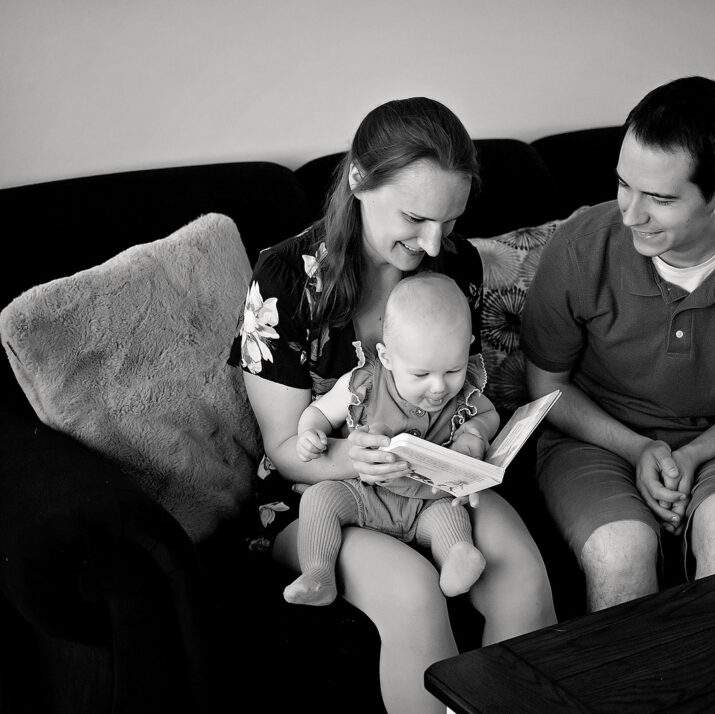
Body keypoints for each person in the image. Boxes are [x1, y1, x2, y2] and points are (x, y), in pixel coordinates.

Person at [231, 96, 555, 714]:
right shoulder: (283, 280)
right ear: (359, 179)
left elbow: (463, 393)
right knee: (411, 592)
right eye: (414, 217)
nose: (434, 243)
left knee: (518, 568)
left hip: (432, 489)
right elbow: (284, 450)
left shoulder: (455, 265)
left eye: (450, 220)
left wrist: (471, 446)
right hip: (319, 497)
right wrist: (355, 459)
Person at [520, 76, 715, 612]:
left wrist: (694, 453)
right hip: (592, 439)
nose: (631, 214)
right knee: (620, 550)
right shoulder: (578, 248)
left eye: (659, 198)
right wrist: (637, 448)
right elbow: (547, 386)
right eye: (623, 184)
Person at [286, 272, 499, 607]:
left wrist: (475, 432)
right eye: (421, 374)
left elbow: (489, 414)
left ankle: (458, 559)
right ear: (387, 357)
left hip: (428, 500)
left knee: (453, 516)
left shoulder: (462, 395)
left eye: (453, 370)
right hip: (363, 492)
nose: (439, 387)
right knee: (318, 499)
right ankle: (318, 573)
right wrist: (309, 434)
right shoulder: (364, 383)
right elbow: (321, 413)